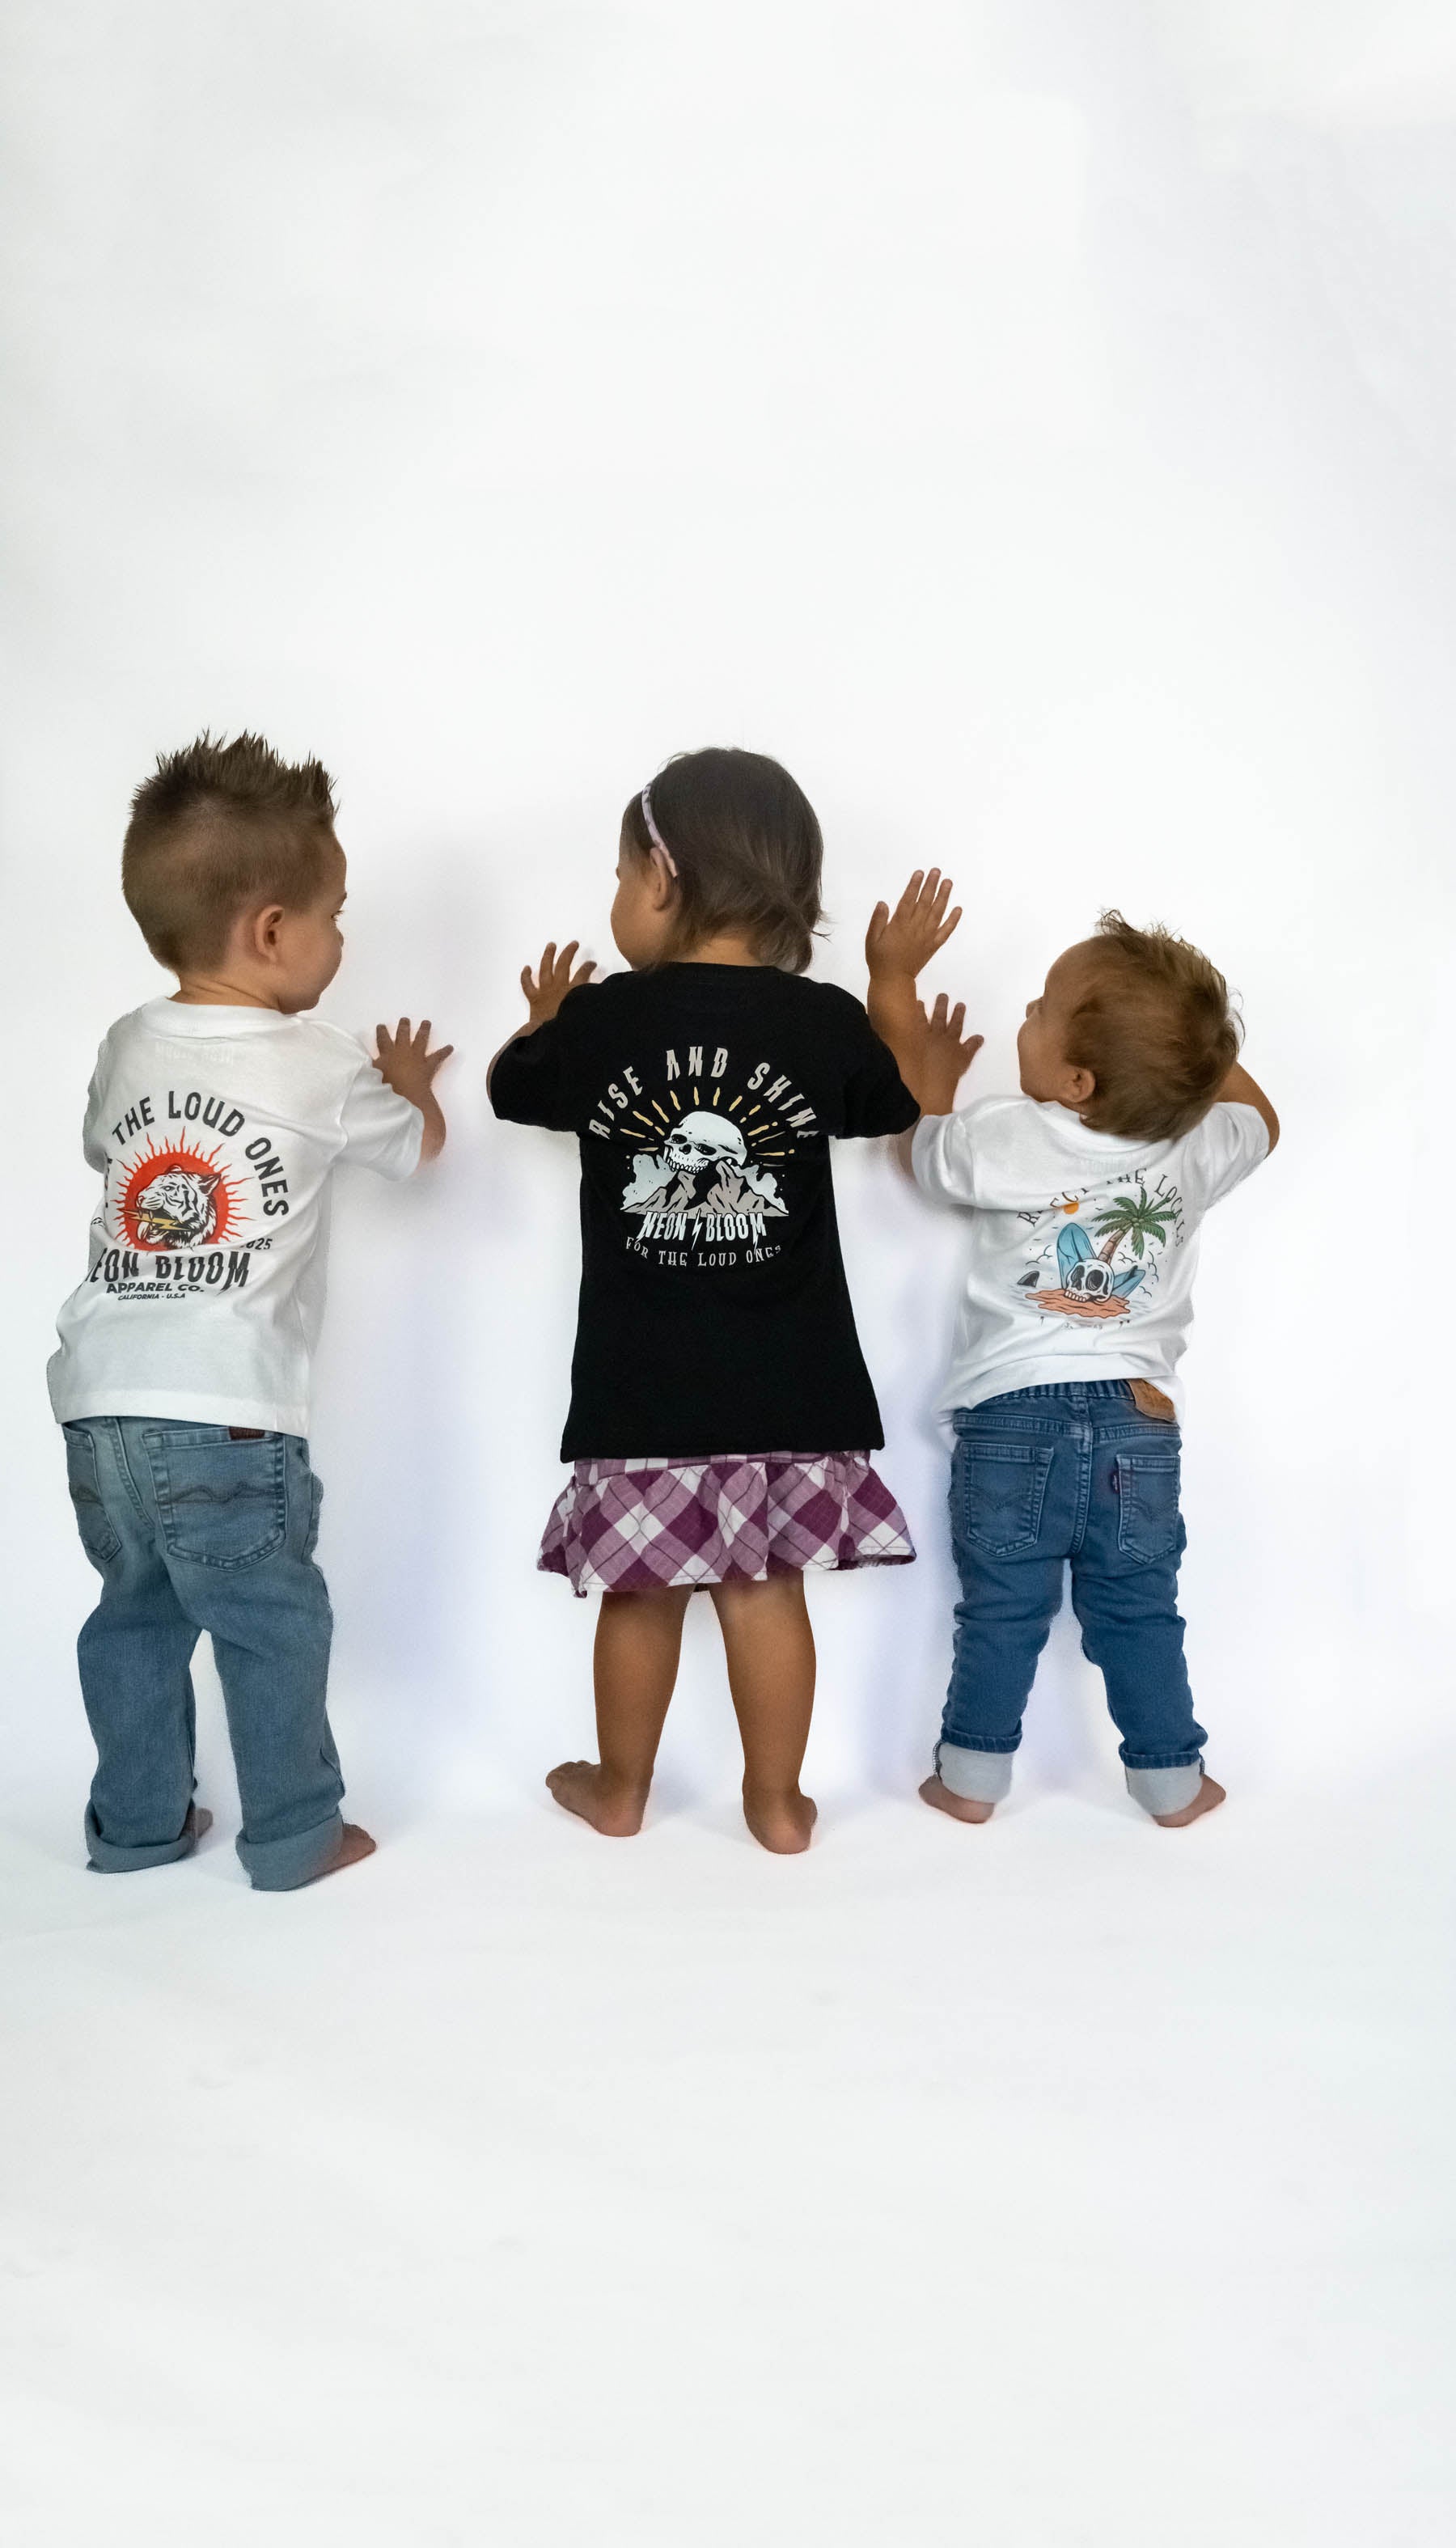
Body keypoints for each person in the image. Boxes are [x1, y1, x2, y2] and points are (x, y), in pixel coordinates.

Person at [489, 747, 921, 1853]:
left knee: (640, 1594)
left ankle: (621, 1788)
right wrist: (887, 989)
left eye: (622, 875)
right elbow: (889, 1100)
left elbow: (510, 1090)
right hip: (793, 1378)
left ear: (663, 880)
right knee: (768, 1590)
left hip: (643, 1385)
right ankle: (776, 1806)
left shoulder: (604, 1023)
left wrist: (544, 1020)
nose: (619, 899)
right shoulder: (818, 1021)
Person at [49, 734, 452, 1888]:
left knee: (133, 1614)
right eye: (334, 912)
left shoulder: (129, 1043)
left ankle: (135, 1827)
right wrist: (415, 1091)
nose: (343, 936)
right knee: (270, 1617)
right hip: (224, 1405)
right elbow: (416, 1153)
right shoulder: (317, 1063)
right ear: (272, 931)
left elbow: (98, 1141)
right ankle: (292, 1834)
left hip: (98, 1404)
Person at [866, 880, 1277, 1827]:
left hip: (1015, 1414)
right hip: (1141, 1422)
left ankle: (970, 1780)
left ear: (1078, 1083)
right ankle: (1172, 1782)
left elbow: (917, 1151)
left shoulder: (1010, 1136)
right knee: (1138, 1609)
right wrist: (1189, 1051)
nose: (1026, 1011)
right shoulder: (1196, 1145)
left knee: (1003, 1610)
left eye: (1043, 1009)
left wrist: (899, 1001)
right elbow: (1263, 1120)